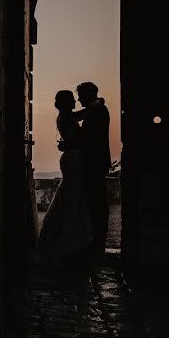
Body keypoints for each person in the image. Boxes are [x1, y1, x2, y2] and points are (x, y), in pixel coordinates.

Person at [36, 90, 92, 266]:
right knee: (71, 196)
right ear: (66, 103)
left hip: (71, 157)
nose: (76, 101)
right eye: (72, 100)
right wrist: (95, 104)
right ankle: (66, 239)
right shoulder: (67, 116)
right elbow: (82, 117)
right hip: (73, 158)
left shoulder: (64, 116)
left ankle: (63, 238)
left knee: (70, 195)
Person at [74, 81, 111, 260]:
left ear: (87, 95)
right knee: (96, 202)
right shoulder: (96, 108)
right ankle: (96, 242)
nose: (78, 99)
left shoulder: (96, 110)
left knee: (97, 203)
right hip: (97, 162)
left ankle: (97, 244)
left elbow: (87, 136)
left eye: (80, 95)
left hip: (94, 162)